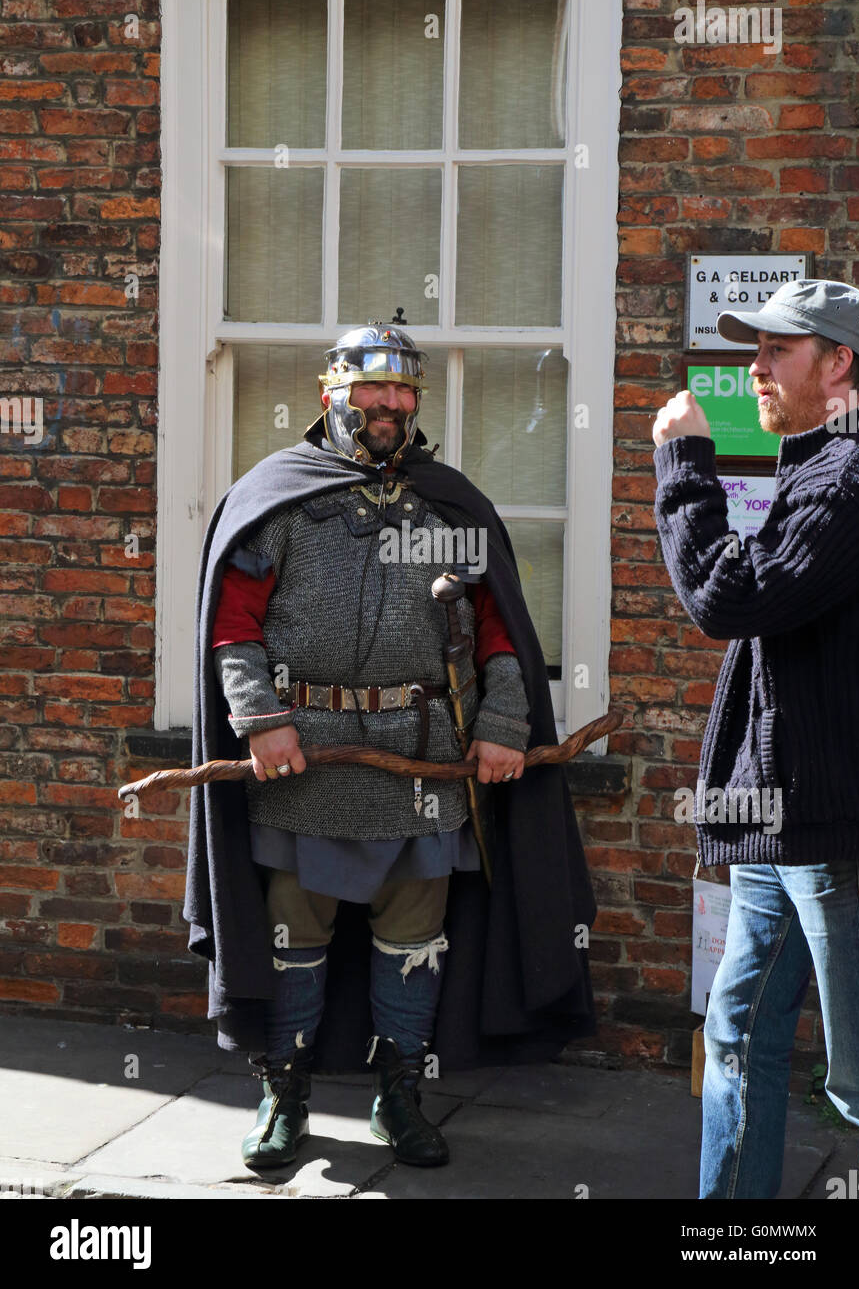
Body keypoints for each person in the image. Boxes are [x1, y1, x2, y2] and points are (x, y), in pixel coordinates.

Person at [183, 322, 598, 1176]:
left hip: (424, 753)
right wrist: (260, 719)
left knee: (416, 937)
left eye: (405, 392)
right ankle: (284, 1097)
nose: (390, 405)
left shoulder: (446, 504)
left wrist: (502, 726)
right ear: (332, 393)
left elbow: (499, 637)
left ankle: (401, 1094)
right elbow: (232, 628)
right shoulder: (278, 498)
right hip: (307, 758)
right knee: (294, 933)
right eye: (373, 390)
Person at [652, 278, 859, 1199]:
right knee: (736, 1034)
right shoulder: (817, 465)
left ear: (839, 362)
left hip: (838, 832)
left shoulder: (853, 477)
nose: (754, 369)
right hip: (780, 822)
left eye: (777, 351)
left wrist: (686, 464)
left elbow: (729, 598)